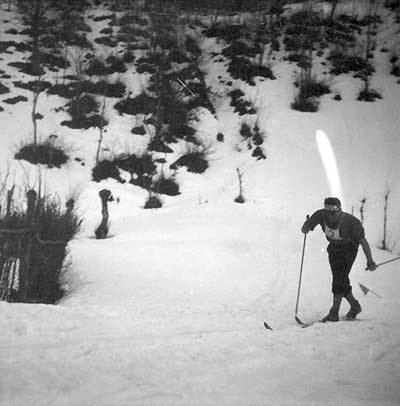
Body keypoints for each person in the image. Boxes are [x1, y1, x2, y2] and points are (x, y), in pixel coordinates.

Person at [301, 197, 377, 322]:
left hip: (349, 249)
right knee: (341, 279)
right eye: (328, 212)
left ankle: (334, 313)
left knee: (339, 278)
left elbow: (363, 242)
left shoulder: (351, 222)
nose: (331, 215)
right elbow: (306, 228)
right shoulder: (321, 215)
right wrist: (306, 227)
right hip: (334, 248)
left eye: (334, 212)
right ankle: (355, 306)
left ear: (340, 210)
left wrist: (370, 260)